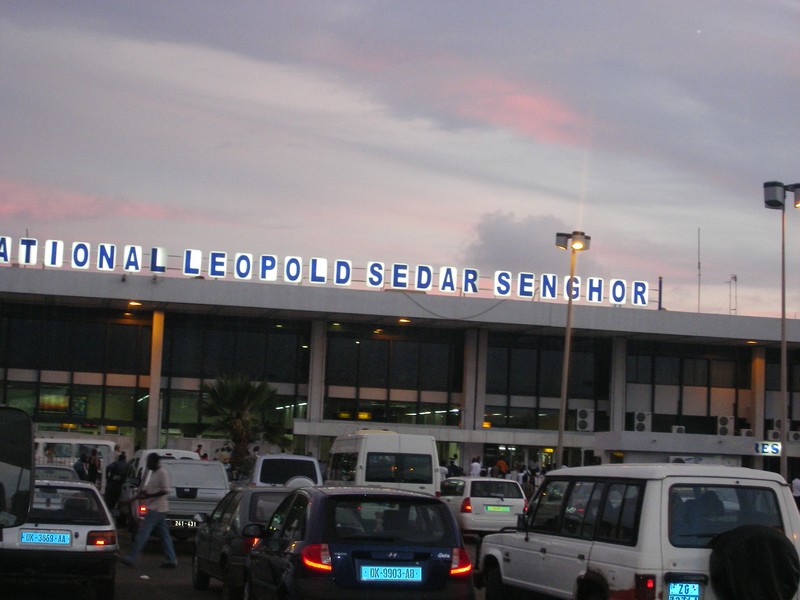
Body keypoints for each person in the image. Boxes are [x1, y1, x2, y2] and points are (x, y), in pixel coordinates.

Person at [120, 453, 178, 568]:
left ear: (155, 462)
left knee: (143, 534)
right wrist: (132, 499)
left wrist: (149, 496)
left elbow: (165, 490)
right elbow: (146, 490)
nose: (148, 464)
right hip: (158, 509)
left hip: (156, 509)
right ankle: (171, 559)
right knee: (165, 536)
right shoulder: (154, 473)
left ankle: (132, 558)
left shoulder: (162, 473)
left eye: (149, 462)